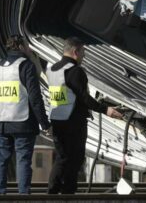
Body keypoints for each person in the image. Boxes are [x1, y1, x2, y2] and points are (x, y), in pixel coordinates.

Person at [47, 37, 123, 194]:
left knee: (61, 158)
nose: (84, 56)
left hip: (56, 120)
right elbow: (84, 98)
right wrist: (106, 110)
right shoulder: (75, 71)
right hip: (73, 122)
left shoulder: (53, 69)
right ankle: (68, 193)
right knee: (75, 158)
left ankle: (52, 192)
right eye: (83, 52)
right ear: (75, 52)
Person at [0, 34, 50, 194]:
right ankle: (23, 195)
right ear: (20, 46)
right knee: (23, 160)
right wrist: (45, 123)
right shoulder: (26, 65)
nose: (29, 49)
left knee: (1, 160)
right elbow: (35, 98)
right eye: (27, 46)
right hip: (23, 121)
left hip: (1, 122)